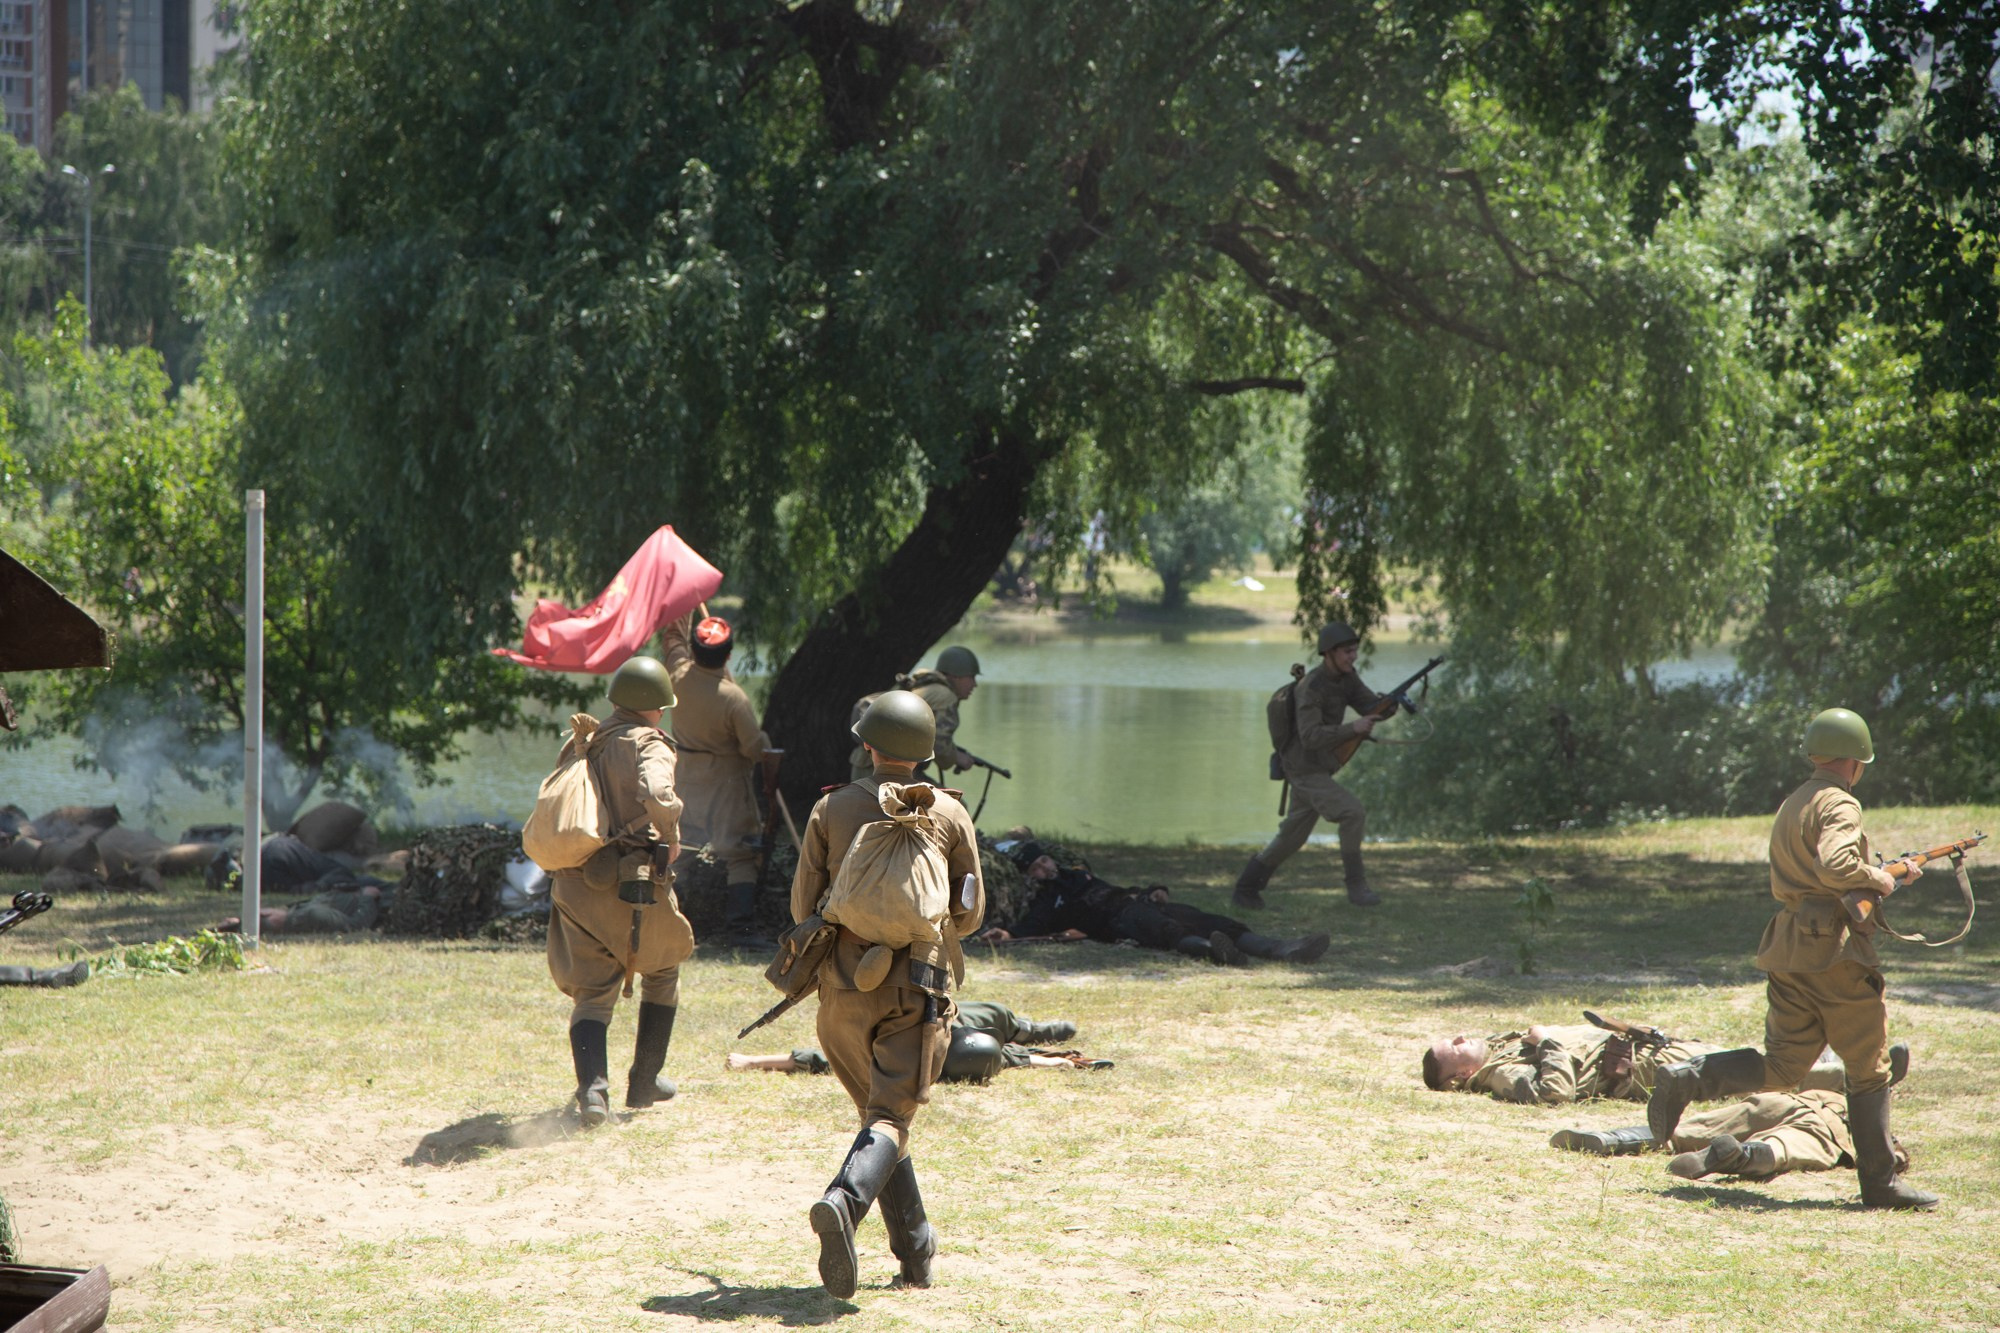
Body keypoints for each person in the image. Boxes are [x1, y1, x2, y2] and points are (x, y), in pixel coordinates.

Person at [1643, 708, 1937, 1210]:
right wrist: (1883, 877)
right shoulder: (1840, 803)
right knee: (1869, 1067)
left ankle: (1690, 1075)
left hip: (1789, 946)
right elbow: (1839, 864)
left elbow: (1815, 872)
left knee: (1783, 1065)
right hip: (1835, 956)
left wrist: (1881, 872)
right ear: (1855, 760)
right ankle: (1881, 1184)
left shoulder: (1793, 802)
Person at [794, 690, 984, 1297]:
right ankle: (844, 1204)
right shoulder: (950, 815)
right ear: (926, 754)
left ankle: (916, 1253)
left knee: (881, 1121)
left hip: (842, 993)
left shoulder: (831, 809)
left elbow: (804, 908)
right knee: (890, 1118)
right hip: (917, 990)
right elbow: (972, 913)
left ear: (868, 745)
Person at [545, 655, 694, 1129]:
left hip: (574, 879)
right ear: (657, 708)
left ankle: (593, 1093)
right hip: (632, 885)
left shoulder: (583, 740)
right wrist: (670, 837)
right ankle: (645, 1079)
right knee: (664, 966)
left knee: (592, 991)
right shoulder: (648, 742)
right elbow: (658, 793)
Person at [1235, 622, 1389, 910]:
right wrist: (1352, 728)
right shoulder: (1311, 687)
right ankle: (1356, 886)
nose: (1353, 657)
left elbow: (1370, 706)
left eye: (1355, 650)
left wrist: (1389, 704)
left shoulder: (1348, 678)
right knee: (1352, 812)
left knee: (1292, 836)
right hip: (1303, 767)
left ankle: (1245, 889)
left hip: (1318, 766)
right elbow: (1310, 737)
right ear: (1328, 653)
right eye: (1347, 652)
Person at [988, 838, 1329, 965]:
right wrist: (1007, 934)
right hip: (1116, 922)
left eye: (1045, 861)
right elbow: (1027, 927)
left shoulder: (1079, 875)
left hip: (1136, 903)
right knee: (1167, 930)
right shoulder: (1048, 901)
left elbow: (1120, 887)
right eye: (1036, 867)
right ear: (1030, 875)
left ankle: (1282, 949)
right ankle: (1215, 951)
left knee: (1210, 918)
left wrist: (1153, 889)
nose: (1045, 867)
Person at [1422, 1022, 1866, 1106]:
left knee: (1742, 1062)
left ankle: (1833, 1069)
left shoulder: (1498, 1048)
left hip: (1644, 1049)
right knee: (1744, 1072)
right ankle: (1857, 1077)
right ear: (1461, 1077)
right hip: (1642, 1070)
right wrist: (1549, 1041)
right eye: (1454, 1048)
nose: (1461, 1037)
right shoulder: (1501, 1074)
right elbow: (1554, 1093)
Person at [660, 610, 771, 937]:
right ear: (729, 654)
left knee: (682, 848)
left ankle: (661, 915)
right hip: (726, 784)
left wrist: (686, 605)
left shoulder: (678, 676)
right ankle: (739, 928)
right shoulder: (734, 698)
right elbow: (753, 748)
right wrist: (764, 740)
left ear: (695, 652)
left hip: (685, 778)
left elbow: (672, 643)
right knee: (740, 854)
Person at [727, 1000, 1107, 1080]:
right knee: (994, 1019)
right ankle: (1031, 1027)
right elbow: (1014, 1058)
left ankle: (1030, 1028)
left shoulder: (925, 1062)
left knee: (994, 1020)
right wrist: (1059, 1060)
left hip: (945, 1031)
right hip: (944, 1023)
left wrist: (753, 1060)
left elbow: (1008, 1058)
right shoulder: (967, 1041)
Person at [848, 645, 983, 781]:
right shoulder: (946, 697)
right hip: (888, 771)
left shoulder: (924, 687)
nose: (975, 684)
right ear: (956, 675)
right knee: (954, 802)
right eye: (971, 677)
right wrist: (957, 758)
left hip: (867, 765)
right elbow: (940, 745)